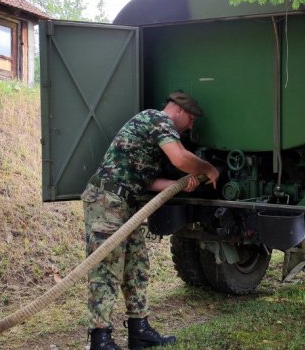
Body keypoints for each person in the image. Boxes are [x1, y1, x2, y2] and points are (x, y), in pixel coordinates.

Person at [81, 91, 219, 350]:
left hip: (125, 202)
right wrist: (208, 168)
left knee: (137, 266)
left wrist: (177, 184)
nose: (191, 125)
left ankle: (139, 331)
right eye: (190, 118)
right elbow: (180, 158)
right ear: (177, 110)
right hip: (106, 200)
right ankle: (100, 339)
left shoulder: (154, 131)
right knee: (107, 267)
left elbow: (146, 179)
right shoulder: (157, 119)